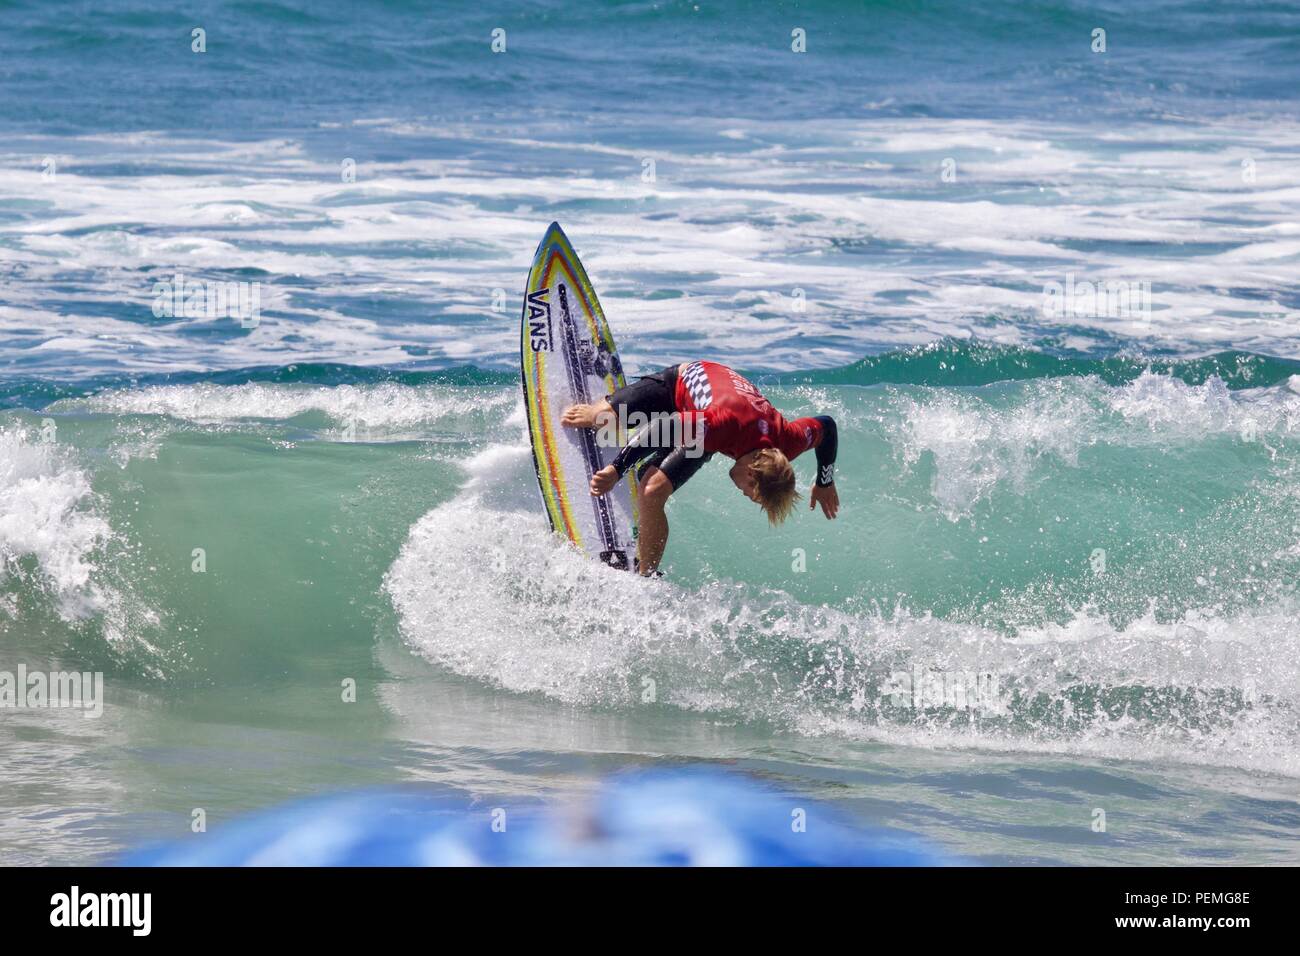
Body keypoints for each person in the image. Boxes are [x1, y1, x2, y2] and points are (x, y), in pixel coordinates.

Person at [561, 361, 839, 575]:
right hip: (678, 387)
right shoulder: (720, 424)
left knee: (652, 490)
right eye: (750, 494)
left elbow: (826, 426)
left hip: (705, 426)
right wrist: (616, 469)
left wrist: (825, 482)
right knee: (600, 420)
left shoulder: (787, 441)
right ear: (752, 475)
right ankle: (608, 409)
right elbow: (662, 428)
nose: (744, 495)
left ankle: (645, 575)